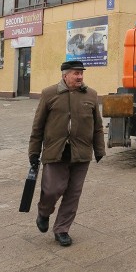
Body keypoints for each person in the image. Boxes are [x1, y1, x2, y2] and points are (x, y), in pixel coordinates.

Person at [28, 60, 105, 246]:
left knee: (73, 194)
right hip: (56, 152)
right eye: (75, 73)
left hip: (81, 153)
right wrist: (33, 152)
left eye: (81, 73)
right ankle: (44, 212)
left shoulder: (91, 95)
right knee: (52, 189)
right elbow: (37, 126)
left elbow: (98, 126)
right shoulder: (49, 94)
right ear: (65, 75)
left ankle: (62, 230)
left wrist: (99, 149)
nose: (80, 77)